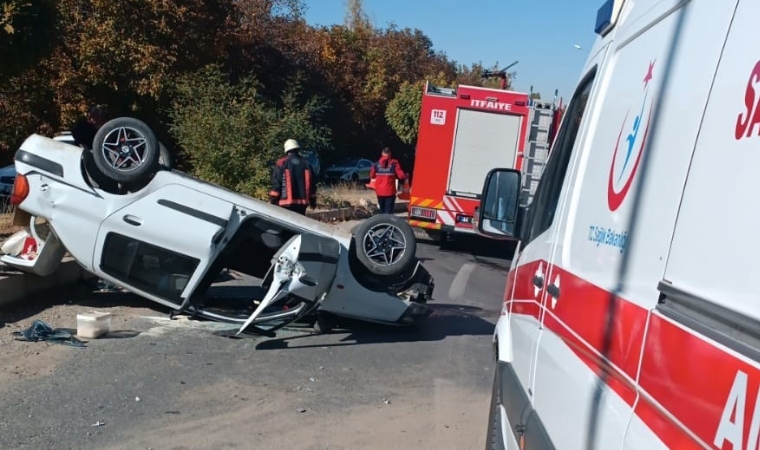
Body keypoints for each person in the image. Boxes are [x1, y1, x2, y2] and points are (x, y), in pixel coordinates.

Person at [270, 139, 317, 215]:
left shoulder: (282, 163)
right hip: (302, 204)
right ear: (298, 149)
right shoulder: (307, 164)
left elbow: (276, 184)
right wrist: (313, 201)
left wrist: (273, 200)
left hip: (285, 204)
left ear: (286, 150)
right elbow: (312, 185)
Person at [369, 147, 406, 215]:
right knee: (389, 211)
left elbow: (371, 176)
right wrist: (406, 175)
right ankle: (388, 223)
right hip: (390, 191)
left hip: (379, 191)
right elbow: (401, 176)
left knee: (382, 209)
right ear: (390, 153)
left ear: (382, 153)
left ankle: (382, 222)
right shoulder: (394, 163)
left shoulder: (376, 164)